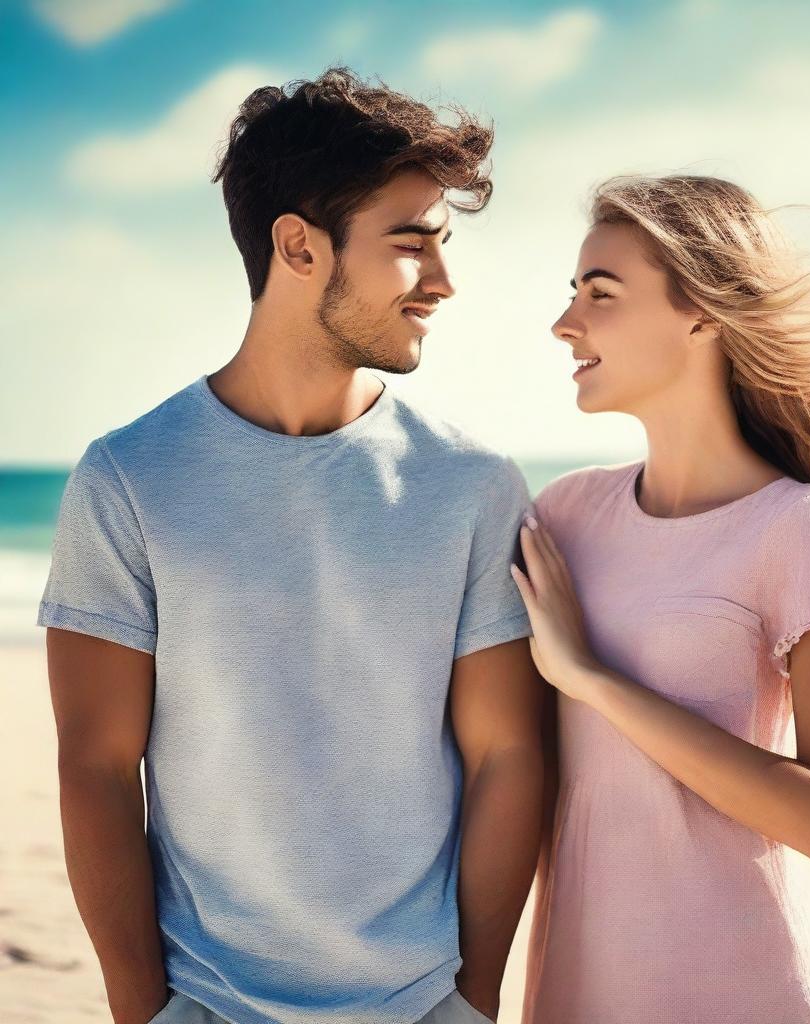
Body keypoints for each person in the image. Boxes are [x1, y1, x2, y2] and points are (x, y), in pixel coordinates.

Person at [37, 67, 546, 1024]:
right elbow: (97, 769)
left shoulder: (472, 485)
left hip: (424, 1003)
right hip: (202, 1002)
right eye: (412, 245)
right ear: (298, 246)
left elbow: (507, 755)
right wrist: (143, 1010)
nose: (442, 282)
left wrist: (473, 999)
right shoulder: (129, 479)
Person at [511, 174, 810, 1023]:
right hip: (582, 988)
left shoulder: (799, 527)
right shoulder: (563, 515)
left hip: (745, 988)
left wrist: (595, 679)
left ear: (701, 315)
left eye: (601, 294)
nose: (565, 323)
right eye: (572, 293)